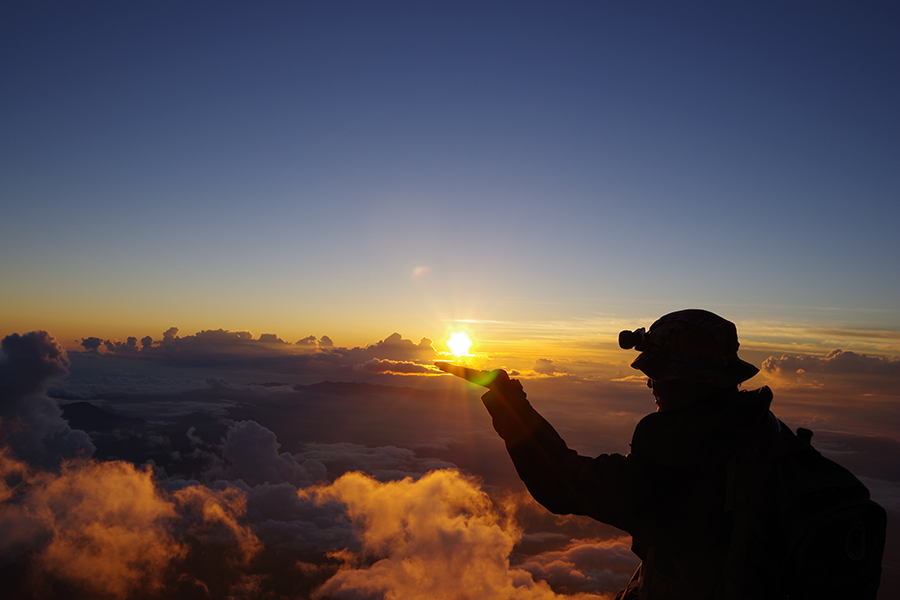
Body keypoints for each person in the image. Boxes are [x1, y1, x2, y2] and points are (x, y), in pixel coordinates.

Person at [437, 309, 852, 599]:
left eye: (654, 376)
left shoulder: (684, 464)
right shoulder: (763, 436)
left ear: (681, 381)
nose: (650, 386)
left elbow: (560, 483)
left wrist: (509, 402)